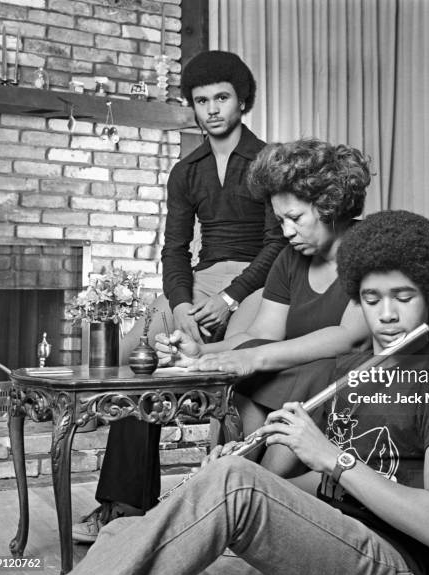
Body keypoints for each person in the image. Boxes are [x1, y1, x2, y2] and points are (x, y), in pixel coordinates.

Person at [67, 210, 429, 575]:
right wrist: (245, 483)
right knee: (123, 532)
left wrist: (329, 459)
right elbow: (327, 491)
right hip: (330, 534)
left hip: (393, 559)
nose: (388, 314)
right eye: (372, 299)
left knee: (231, 485)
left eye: (404, 297)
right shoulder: (355, 377)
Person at [72, 50, 285, 544]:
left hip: (259, 281)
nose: (211, 109)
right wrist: (183, 302)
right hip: (199, 280)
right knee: (138, 367)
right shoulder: (185, 170)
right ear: (192, 106)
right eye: (201, 100)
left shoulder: (270, 161)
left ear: (242, 100)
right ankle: (123, 507)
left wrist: (231, 299)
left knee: (232, 369)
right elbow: (173, 250)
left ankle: (224, 509)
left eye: (222, 98)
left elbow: (277, 245)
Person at [156, 138, 373, 460]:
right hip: (297, 374)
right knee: (241, 394)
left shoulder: (370, 246)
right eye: (280, 220)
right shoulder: (290, 258)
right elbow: (262, 334)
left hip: (343, 377)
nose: (286, 231)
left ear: (331, 204)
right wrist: (201, 351)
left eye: (295, 218)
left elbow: (350, 339)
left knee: (262, 374)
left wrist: (253, 359)